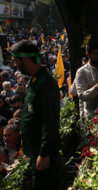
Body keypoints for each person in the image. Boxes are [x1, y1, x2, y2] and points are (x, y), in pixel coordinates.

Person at [11, 39, 60, 189]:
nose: (15, 65)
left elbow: (50, 121)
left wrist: (44, 153)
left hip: (43, 154)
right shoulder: (34, 80)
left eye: (16, 61)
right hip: (36, 151)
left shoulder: (45, 83)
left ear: (25, 60)